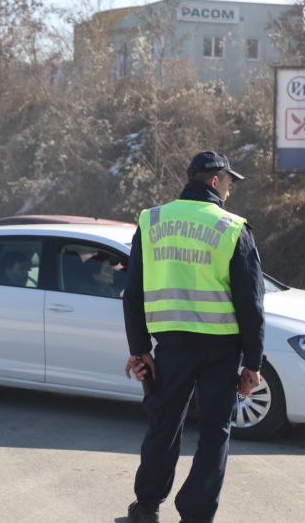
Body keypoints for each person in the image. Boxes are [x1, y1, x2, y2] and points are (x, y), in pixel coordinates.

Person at [122, 151, 265, 523]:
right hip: (221, 350)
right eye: (229, 183)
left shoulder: (151, 221)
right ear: (215, 181)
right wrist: (253, 363)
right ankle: (197, 516)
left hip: (170, 348)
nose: (230, 192)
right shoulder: (233, 227)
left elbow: (133, 292)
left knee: (163, 425)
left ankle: (147, 508)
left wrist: (139, 350)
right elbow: (251, 304)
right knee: (214, 434)